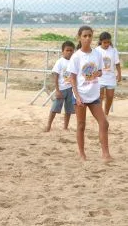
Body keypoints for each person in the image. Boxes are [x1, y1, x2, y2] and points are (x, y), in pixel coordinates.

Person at [67, 26, 111, 162]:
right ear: (79, 37)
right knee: (81, 125)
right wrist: (77, 96)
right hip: (80, 95)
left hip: (94, 95)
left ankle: (105, 153)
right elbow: (72, 78)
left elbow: (100, 71)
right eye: (85, 36)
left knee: (104, 123)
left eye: (90, 36)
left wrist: (98, 73)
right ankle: (81, 153)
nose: (87, 38)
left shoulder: (97, 54)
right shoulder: (76, 57)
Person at [45, 41, 75, 132]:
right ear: (63, 51)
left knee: (69, 109)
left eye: (71, 50)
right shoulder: (60, 62)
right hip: (61, 89)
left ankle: (65, 127)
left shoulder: (74, 62)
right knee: (55, 108)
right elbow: (56, 76)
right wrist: (57, 90)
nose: (69, 52)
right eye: (67, 50)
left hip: (71, 89)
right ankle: (49, 125)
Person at [95, 32, 122, 115]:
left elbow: (117, 63)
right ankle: (99, 113)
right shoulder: (96, 50)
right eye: (105, 42)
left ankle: (106, 113)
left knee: (110, 97)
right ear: (101, 41)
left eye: (108, 42)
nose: (107, 44)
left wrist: (119, 74)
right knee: (100, 97)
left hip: (111, 77)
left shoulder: (113, 50)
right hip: (100, 77)